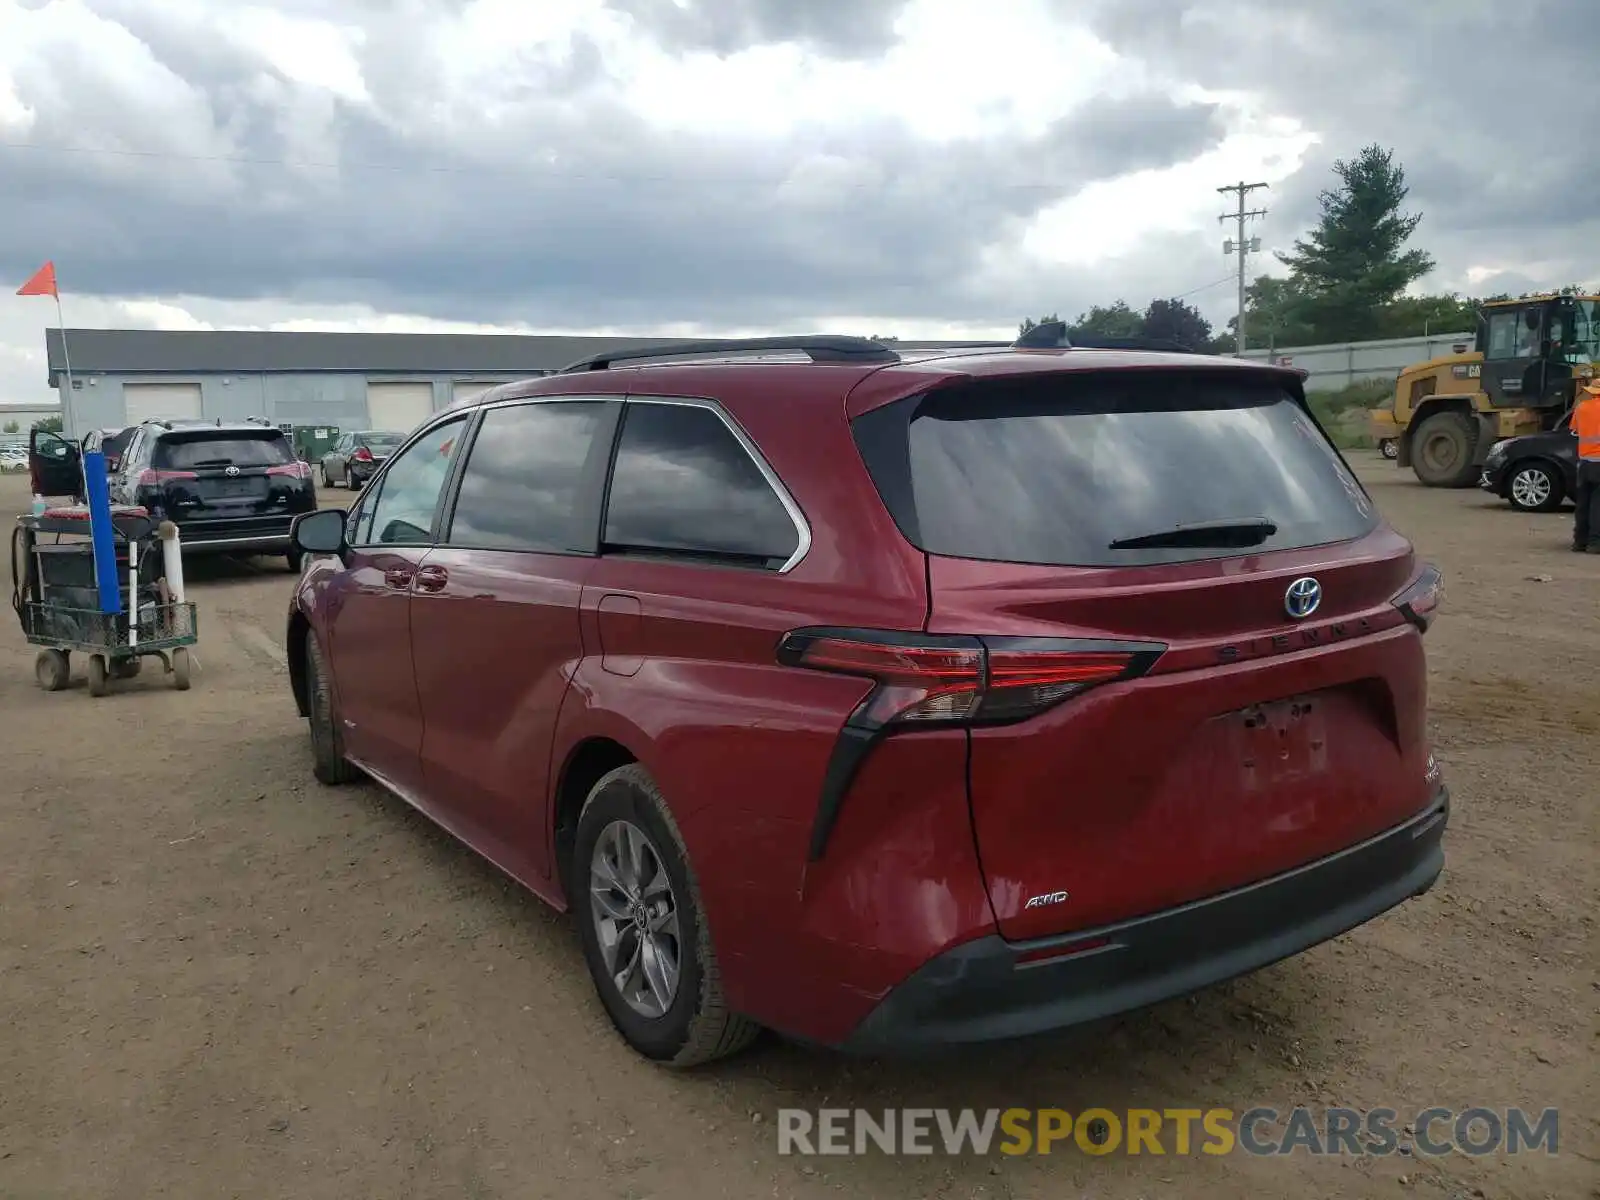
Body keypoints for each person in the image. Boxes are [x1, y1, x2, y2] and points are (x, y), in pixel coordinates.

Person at [1574, 378, 1600, 553]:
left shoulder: (1581, 408)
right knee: (1597, 505)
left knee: (1583, 503)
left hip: (1584, 463)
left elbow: (1575, 431)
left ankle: (1579, 542)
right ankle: (1595, 543)